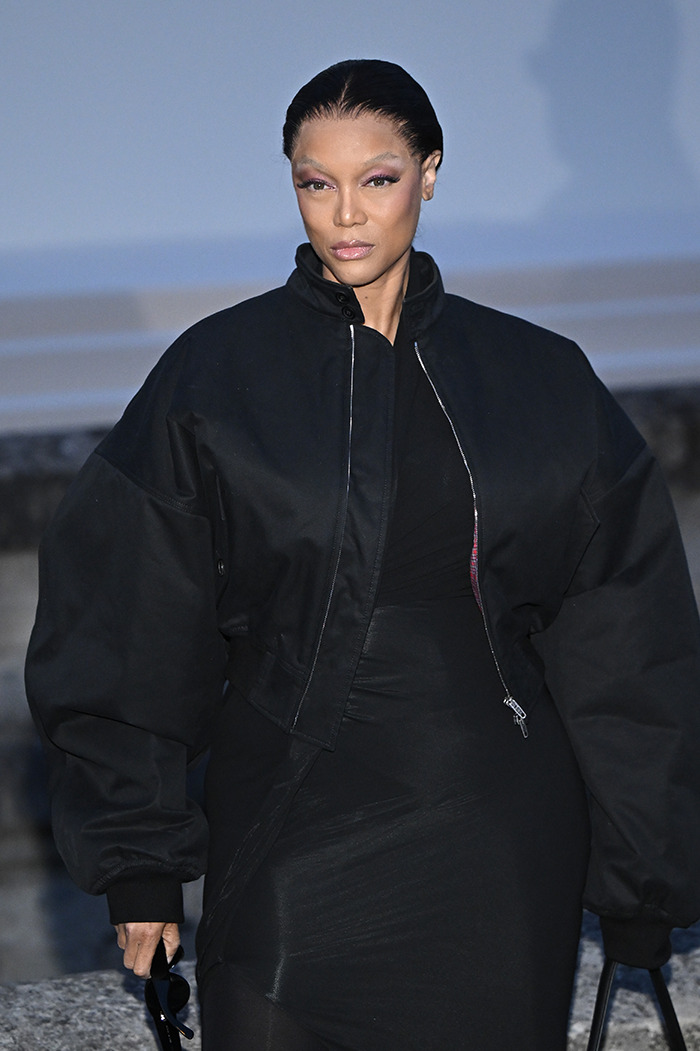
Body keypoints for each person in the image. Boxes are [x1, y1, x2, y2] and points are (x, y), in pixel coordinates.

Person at [25, 59, 700, 1051]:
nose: (345, 213)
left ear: (430, 171)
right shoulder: (217, 375)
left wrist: (645, 878)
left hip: (495, 834)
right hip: (288, 818)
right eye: (316, 182)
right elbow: (128, 614)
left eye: (377, 178)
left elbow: (627, 638)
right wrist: (139, 863)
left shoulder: (540, 379)